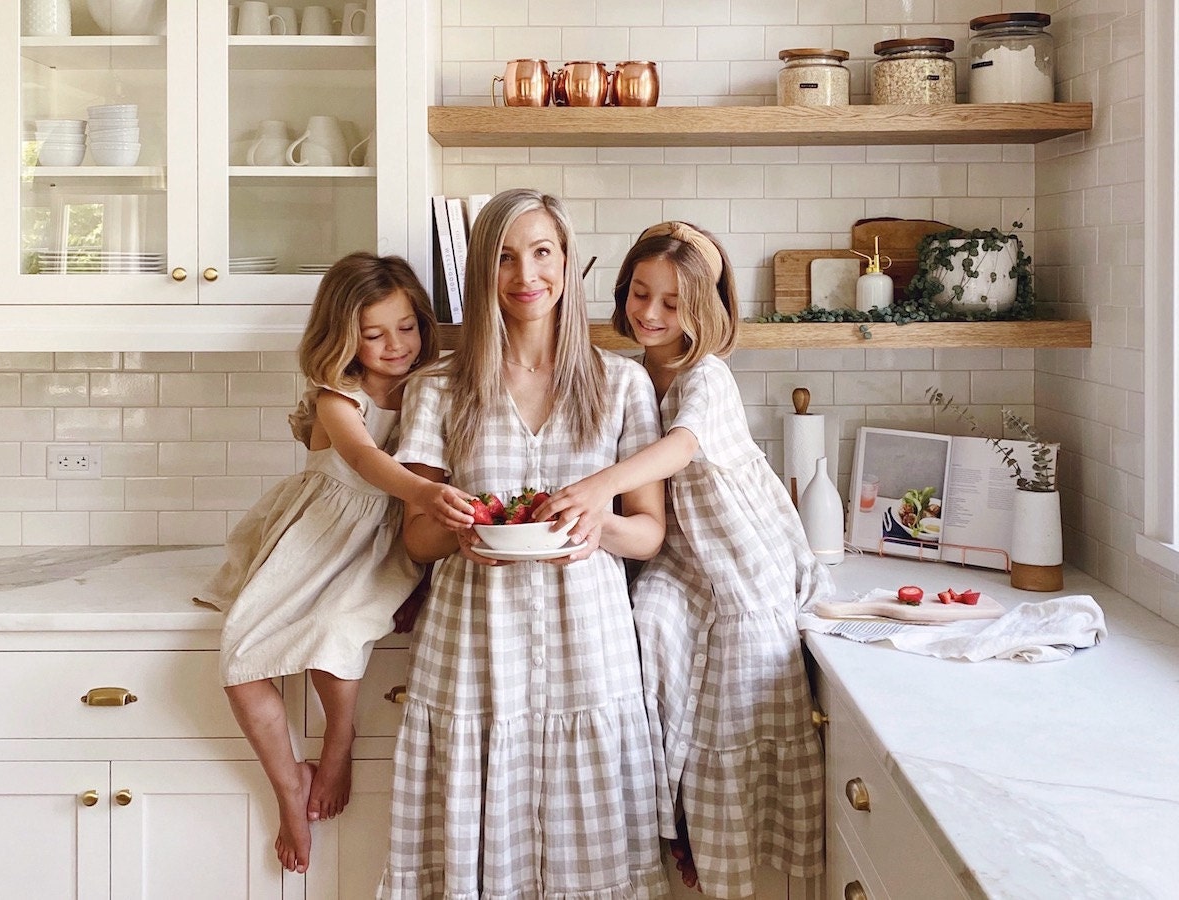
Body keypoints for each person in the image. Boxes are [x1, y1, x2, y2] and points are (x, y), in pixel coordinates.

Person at [379, 189, 671, 898]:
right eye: (505, 257)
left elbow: (649, 533)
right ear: (483, 272)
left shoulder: (622, 383)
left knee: (591, 847)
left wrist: (600, 526)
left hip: (589, 648)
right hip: (475, 644)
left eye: (542, 252)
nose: (525, 274)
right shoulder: (440, 389)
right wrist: (454, 523)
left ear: (568, 263)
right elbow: (414, 539)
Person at [536, 222, 835, 897]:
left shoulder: (708, 375)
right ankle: (676, 815)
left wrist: (594, 489)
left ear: (702, 310)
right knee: (649, 625)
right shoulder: (637, 371)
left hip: (740, 559)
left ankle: (718, 842)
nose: (649, 313)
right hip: (683, 559)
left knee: (739, 693)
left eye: (671, 304)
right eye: (640, 294)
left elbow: (680, 449)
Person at [196, 252, 475, 875]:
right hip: (319, 538)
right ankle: (288, 784)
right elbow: (363, 457)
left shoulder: (435, 385)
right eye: (374, 335)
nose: (395, 345)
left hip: (383, 544)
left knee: (336, 633)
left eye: (407, 327)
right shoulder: (336, 396)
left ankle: (339, 740)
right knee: (240, 664)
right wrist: (425, 491)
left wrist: (426, 526)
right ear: (343, 338)